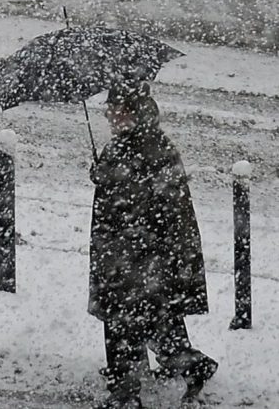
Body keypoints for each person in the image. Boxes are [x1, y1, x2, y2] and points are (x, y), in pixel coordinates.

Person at [89, 91, 217, 409]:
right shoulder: (142, 144)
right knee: (153, 317)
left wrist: (112, 178)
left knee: (127, 317)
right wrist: (104, 175)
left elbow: (148, 201)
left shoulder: (143, 148)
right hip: (138, 251)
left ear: (132, 111)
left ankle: (126, 391)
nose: (108, 115)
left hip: (138, 252)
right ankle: (188, 366)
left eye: (114, 109)